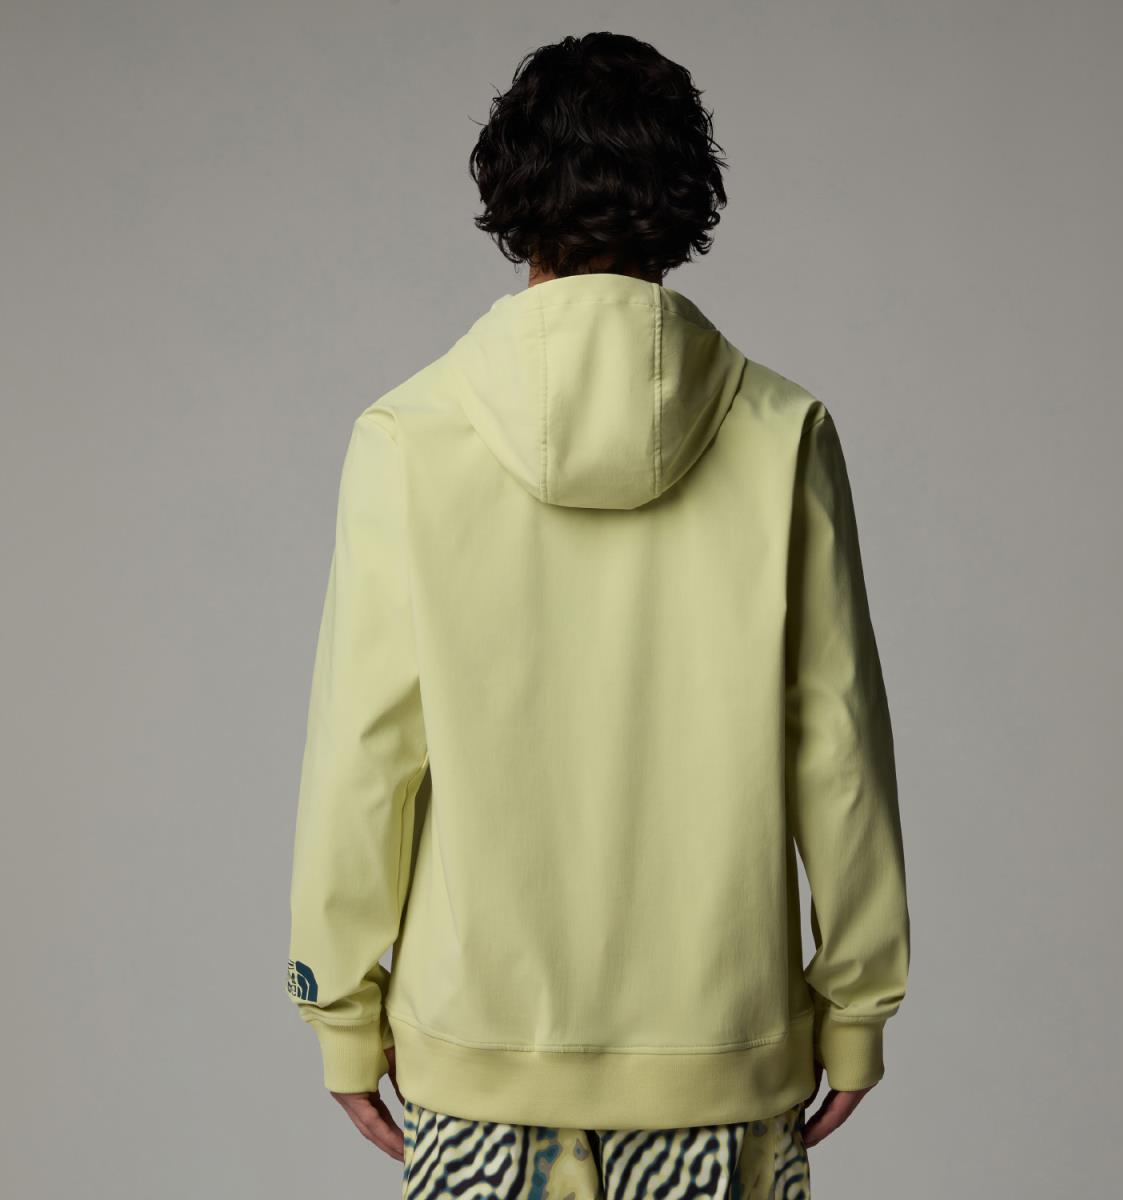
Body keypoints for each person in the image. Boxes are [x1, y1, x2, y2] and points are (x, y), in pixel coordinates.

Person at [286, 31, 910, 1200]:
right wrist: (858, 1008)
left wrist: (338, 1007)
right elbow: (836, 750)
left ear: (511, 200)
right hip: (724, 1066)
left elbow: (366, 754)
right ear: (685, 203)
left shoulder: (408, 438)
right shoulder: (784, 435)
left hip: (478, 1067)